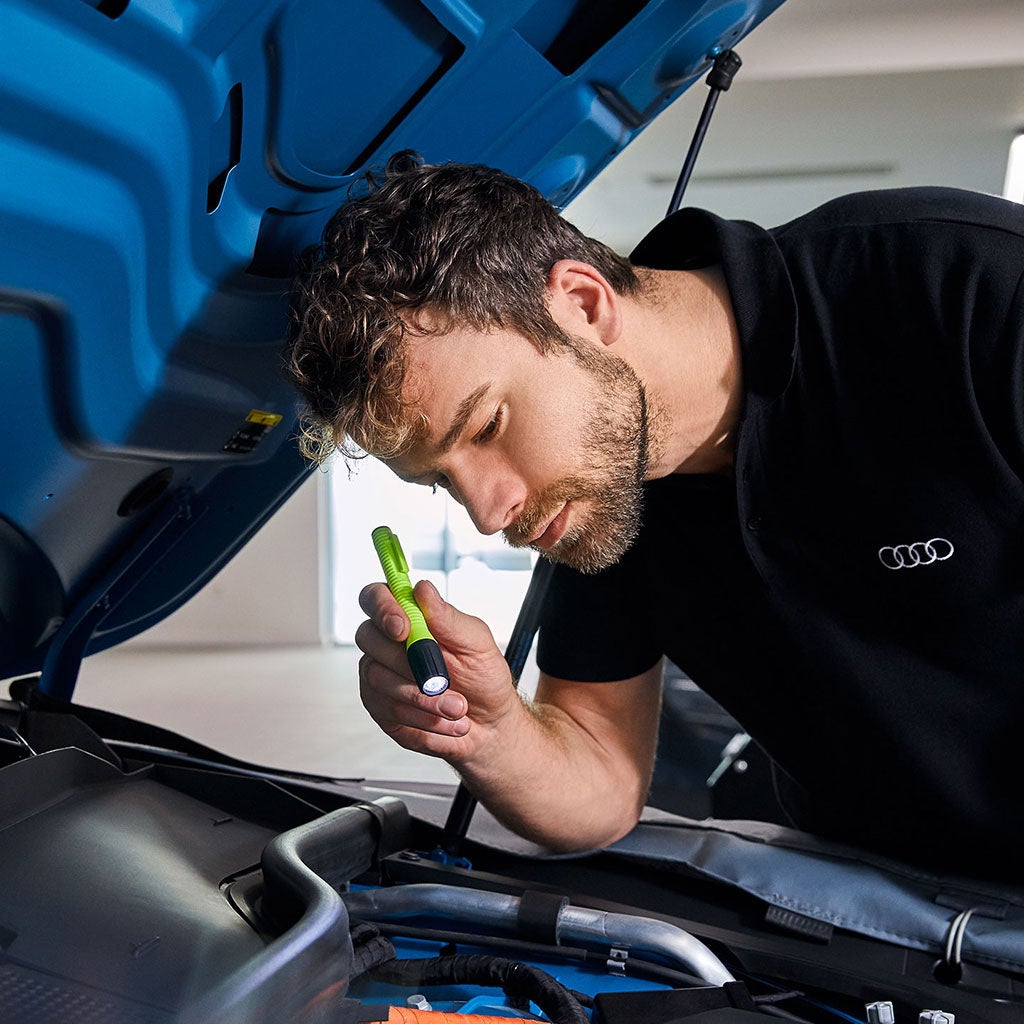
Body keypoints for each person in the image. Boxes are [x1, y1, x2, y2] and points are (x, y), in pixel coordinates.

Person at [286, 151, 1024, 880]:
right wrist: (492, 733)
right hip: (883, 914)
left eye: (485, 428)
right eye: (442, 484)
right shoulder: (605, 486)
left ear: (583, 303)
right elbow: (600, 790)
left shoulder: (967, 287)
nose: (487, 513)